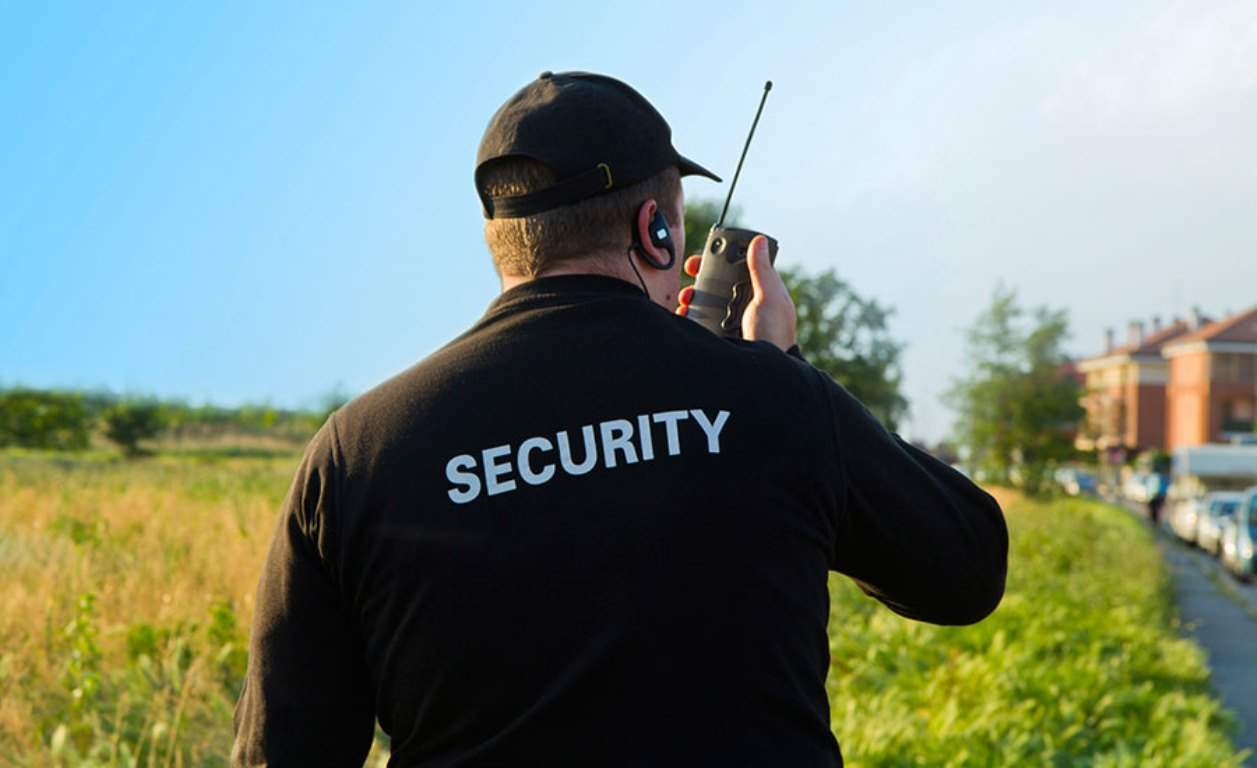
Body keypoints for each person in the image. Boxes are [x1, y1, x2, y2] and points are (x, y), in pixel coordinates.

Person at [231, 71, 1008, 767]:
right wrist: (782, 366)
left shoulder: (357, 449)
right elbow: (965, 569)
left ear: (499, 240)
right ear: (655, 230)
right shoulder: (775, 398)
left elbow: (282, 752)